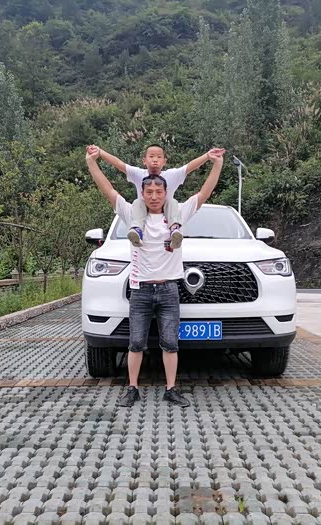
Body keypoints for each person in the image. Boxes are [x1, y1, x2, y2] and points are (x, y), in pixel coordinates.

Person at [85, 144, 225, 408]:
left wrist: (216, 164)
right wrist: (92, 163)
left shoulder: (178, 214)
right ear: (142, 194)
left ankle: (171, 389)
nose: (154, 196)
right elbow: (108, 190)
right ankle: (132, 389)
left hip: (169, 289)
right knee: (136, 342)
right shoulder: (131, 215)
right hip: (140, 289)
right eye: (149, 192)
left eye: (159, 192)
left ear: (166, 193)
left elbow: (204, 193)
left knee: (170, 343)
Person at [91, 145, 226, 250]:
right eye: (151, 156)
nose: (155, 160)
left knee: (172, 202)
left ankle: (174, 229)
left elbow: (190, 168)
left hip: (168, 211)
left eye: (158, 157)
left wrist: (208, 157)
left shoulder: (172, 176)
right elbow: (118, 166)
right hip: (141, 212)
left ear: (164, 161)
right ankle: (137, 229)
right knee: (138, 203)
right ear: (144, 160)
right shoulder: (138, 175)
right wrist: (99, 153)